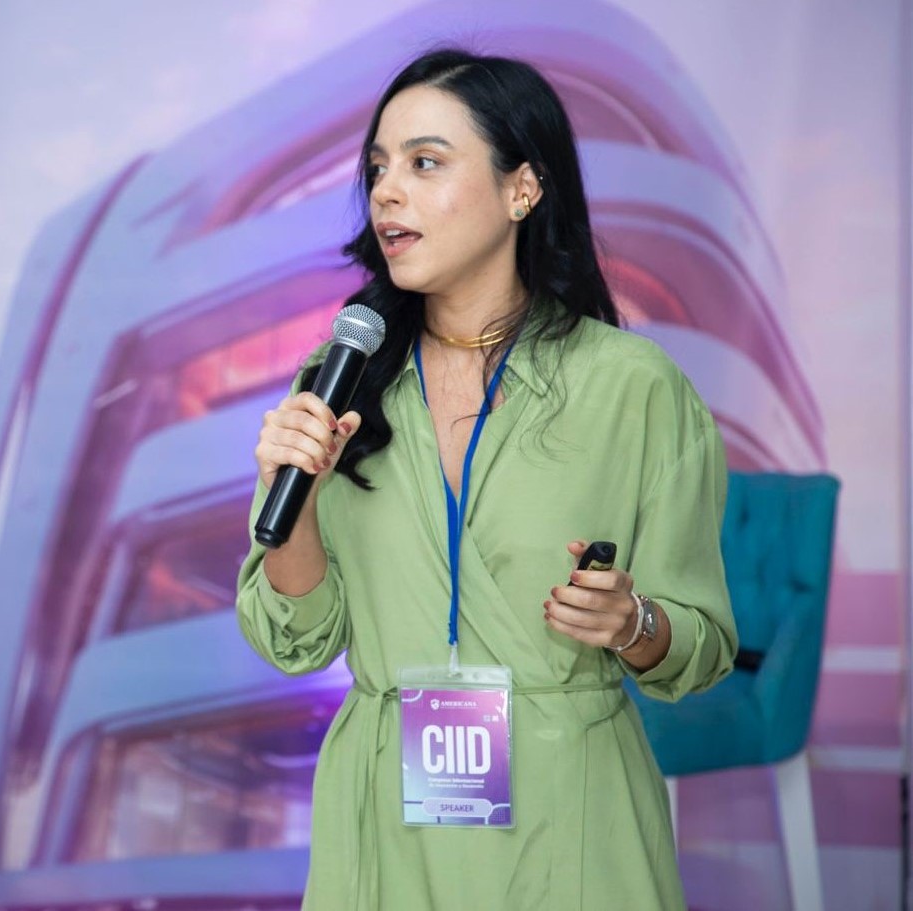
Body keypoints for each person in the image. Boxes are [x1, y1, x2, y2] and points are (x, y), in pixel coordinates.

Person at [236, 47, 737, 911]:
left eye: (425, 162)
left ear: (522, 189)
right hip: (384, 832)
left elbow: (703, 648)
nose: (387, 191)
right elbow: (297, 643)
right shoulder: (339, 379)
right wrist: (301, 500)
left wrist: (633, 622)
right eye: (378, 168)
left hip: (571, 826)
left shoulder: (634, 387)